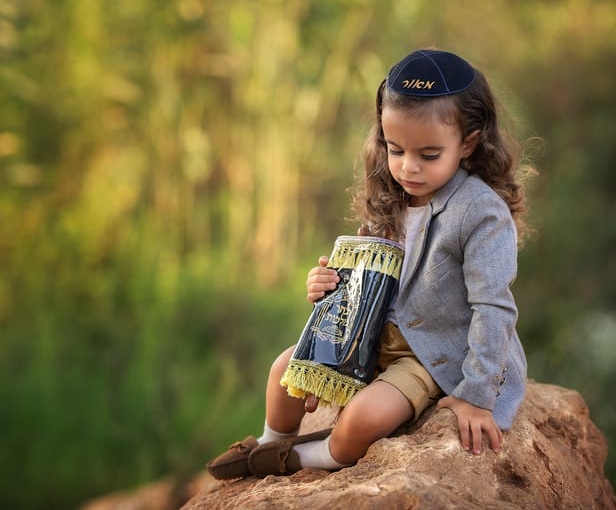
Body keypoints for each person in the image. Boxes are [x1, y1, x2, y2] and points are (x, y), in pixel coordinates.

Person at [206, 49, 531, 479]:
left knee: (362, 420)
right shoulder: (392, 197)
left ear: (468, 142)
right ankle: (271, 442)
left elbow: (493, 308)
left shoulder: (480, 213)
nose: (408, 167)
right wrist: (327, 286)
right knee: (285, 371)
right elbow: (367, 284)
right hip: (369, 333)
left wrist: (476, 394)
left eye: (429, 155)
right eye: (396, 149)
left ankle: (301, 459)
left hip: (431, 352)